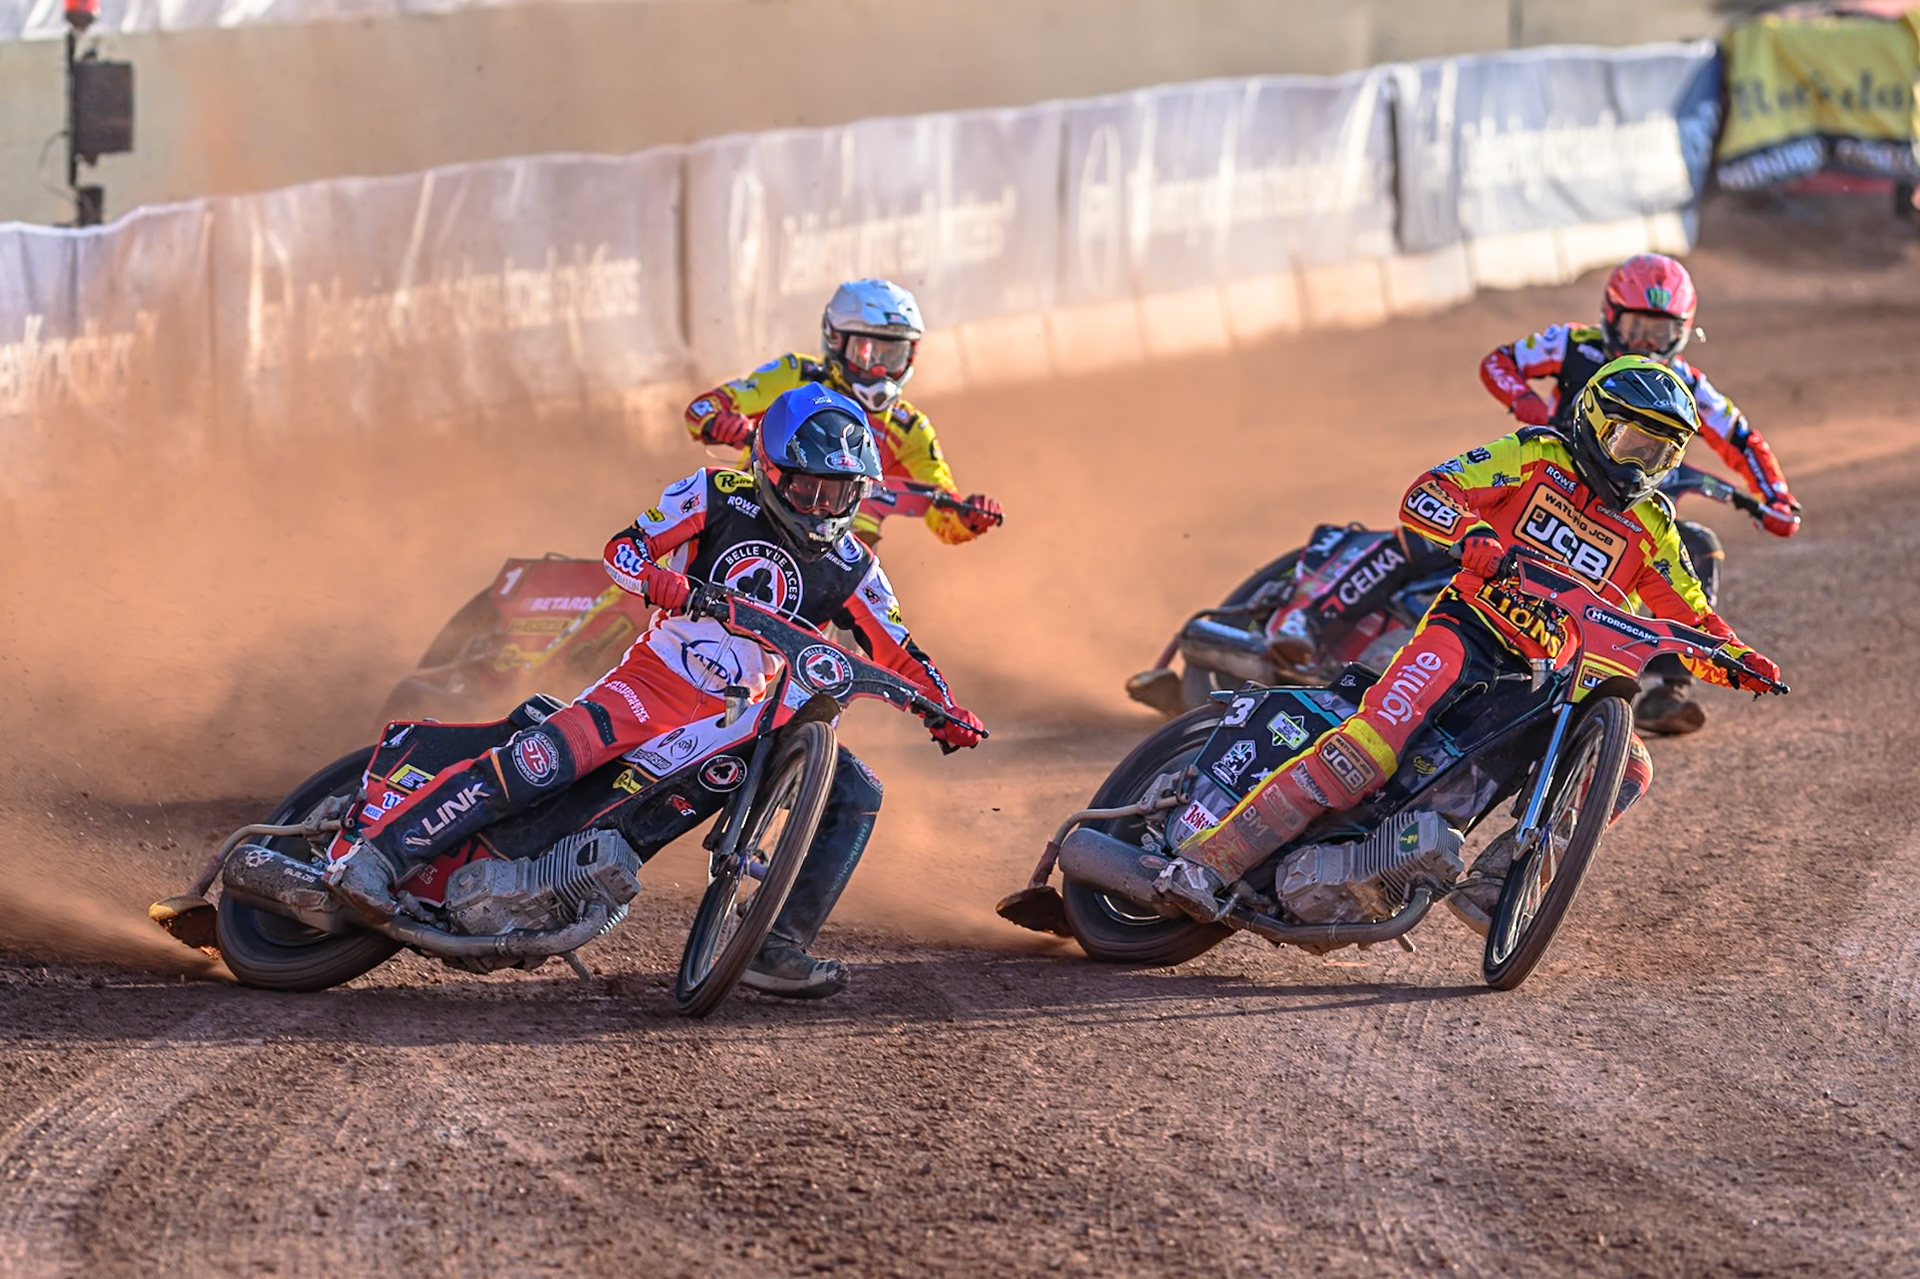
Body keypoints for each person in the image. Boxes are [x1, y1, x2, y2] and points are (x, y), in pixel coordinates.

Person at [327, 384, 986, 999]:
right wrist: (660, 581)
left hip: (747, 719)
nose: (822, 507)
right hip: (654, 681)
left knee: (858, 789)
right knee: (543, 761)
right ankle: (378, 856)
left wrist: (946, 708)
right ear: (771, 470)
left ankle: (775, 945)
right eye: (808, 488)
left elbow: (901, 650)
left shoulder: (856, 566)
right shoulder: (715, 492)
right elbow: (623, 550)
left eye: (840, 493)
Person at [1154, 357, 1783, 925]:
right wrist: (1470, 533)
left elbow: (1695, 620)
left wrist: (1739, 661)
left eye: (1660, 455)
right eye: (1632, 444)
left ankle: (1501, 883)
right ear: (1595, 421)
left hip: (1546, 681)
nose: (1640, 465)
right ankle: (1205, 863)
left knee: (1630, 766)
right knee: (1368, 748)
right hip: (1468, 629)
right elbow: (1428, 493)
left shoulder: (1652, 524)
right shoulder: (1535, 454)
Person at [1261, 254, 1798, 736]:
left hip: (1620, 510)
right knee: (1431, 529)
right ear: (1610, 316)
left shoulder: (1687, 390)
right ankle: (1308, 616)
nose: (1645, 344)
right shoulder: (1572, 343)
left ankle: (1666, 689)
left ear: (1682, 332)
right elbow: (1499, 362)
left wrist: (1776, 496)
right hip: (1540, 475)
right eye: (1636, 327)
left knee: (1695, 544)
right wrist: (1527, 404)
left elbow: (1743, 439)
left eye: (1660, 333)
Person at [683, 278, 1002, 547]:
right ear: (836, 340)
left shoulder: (910, 429)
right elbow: (701, 410)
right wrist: (722, 422)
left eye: (893, 355)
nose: (879, 368)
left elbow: (944, 515)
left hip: (833, 561)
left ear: (910, 356)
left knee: (869, 594)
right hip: (746, 517)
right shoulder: (795, 375)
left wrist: (969, 517)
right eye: (867, 352)